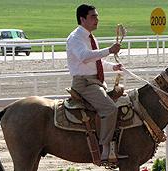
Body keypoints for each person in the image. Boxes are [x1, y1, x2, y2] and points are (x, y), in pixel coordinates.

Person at [66, 4, 123, 162]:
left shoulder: (90, 37)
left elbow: (95, 60)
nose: (97, 19)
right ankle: (105, 148)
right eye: (93, 16)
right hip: (84, 84)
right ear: (82, 19)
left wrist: (113, 66)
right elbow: (85, 56)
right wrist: (109, 50)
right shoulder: (75, 38)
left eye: (97, 16)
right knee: (110, 109)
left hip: (95, 82)